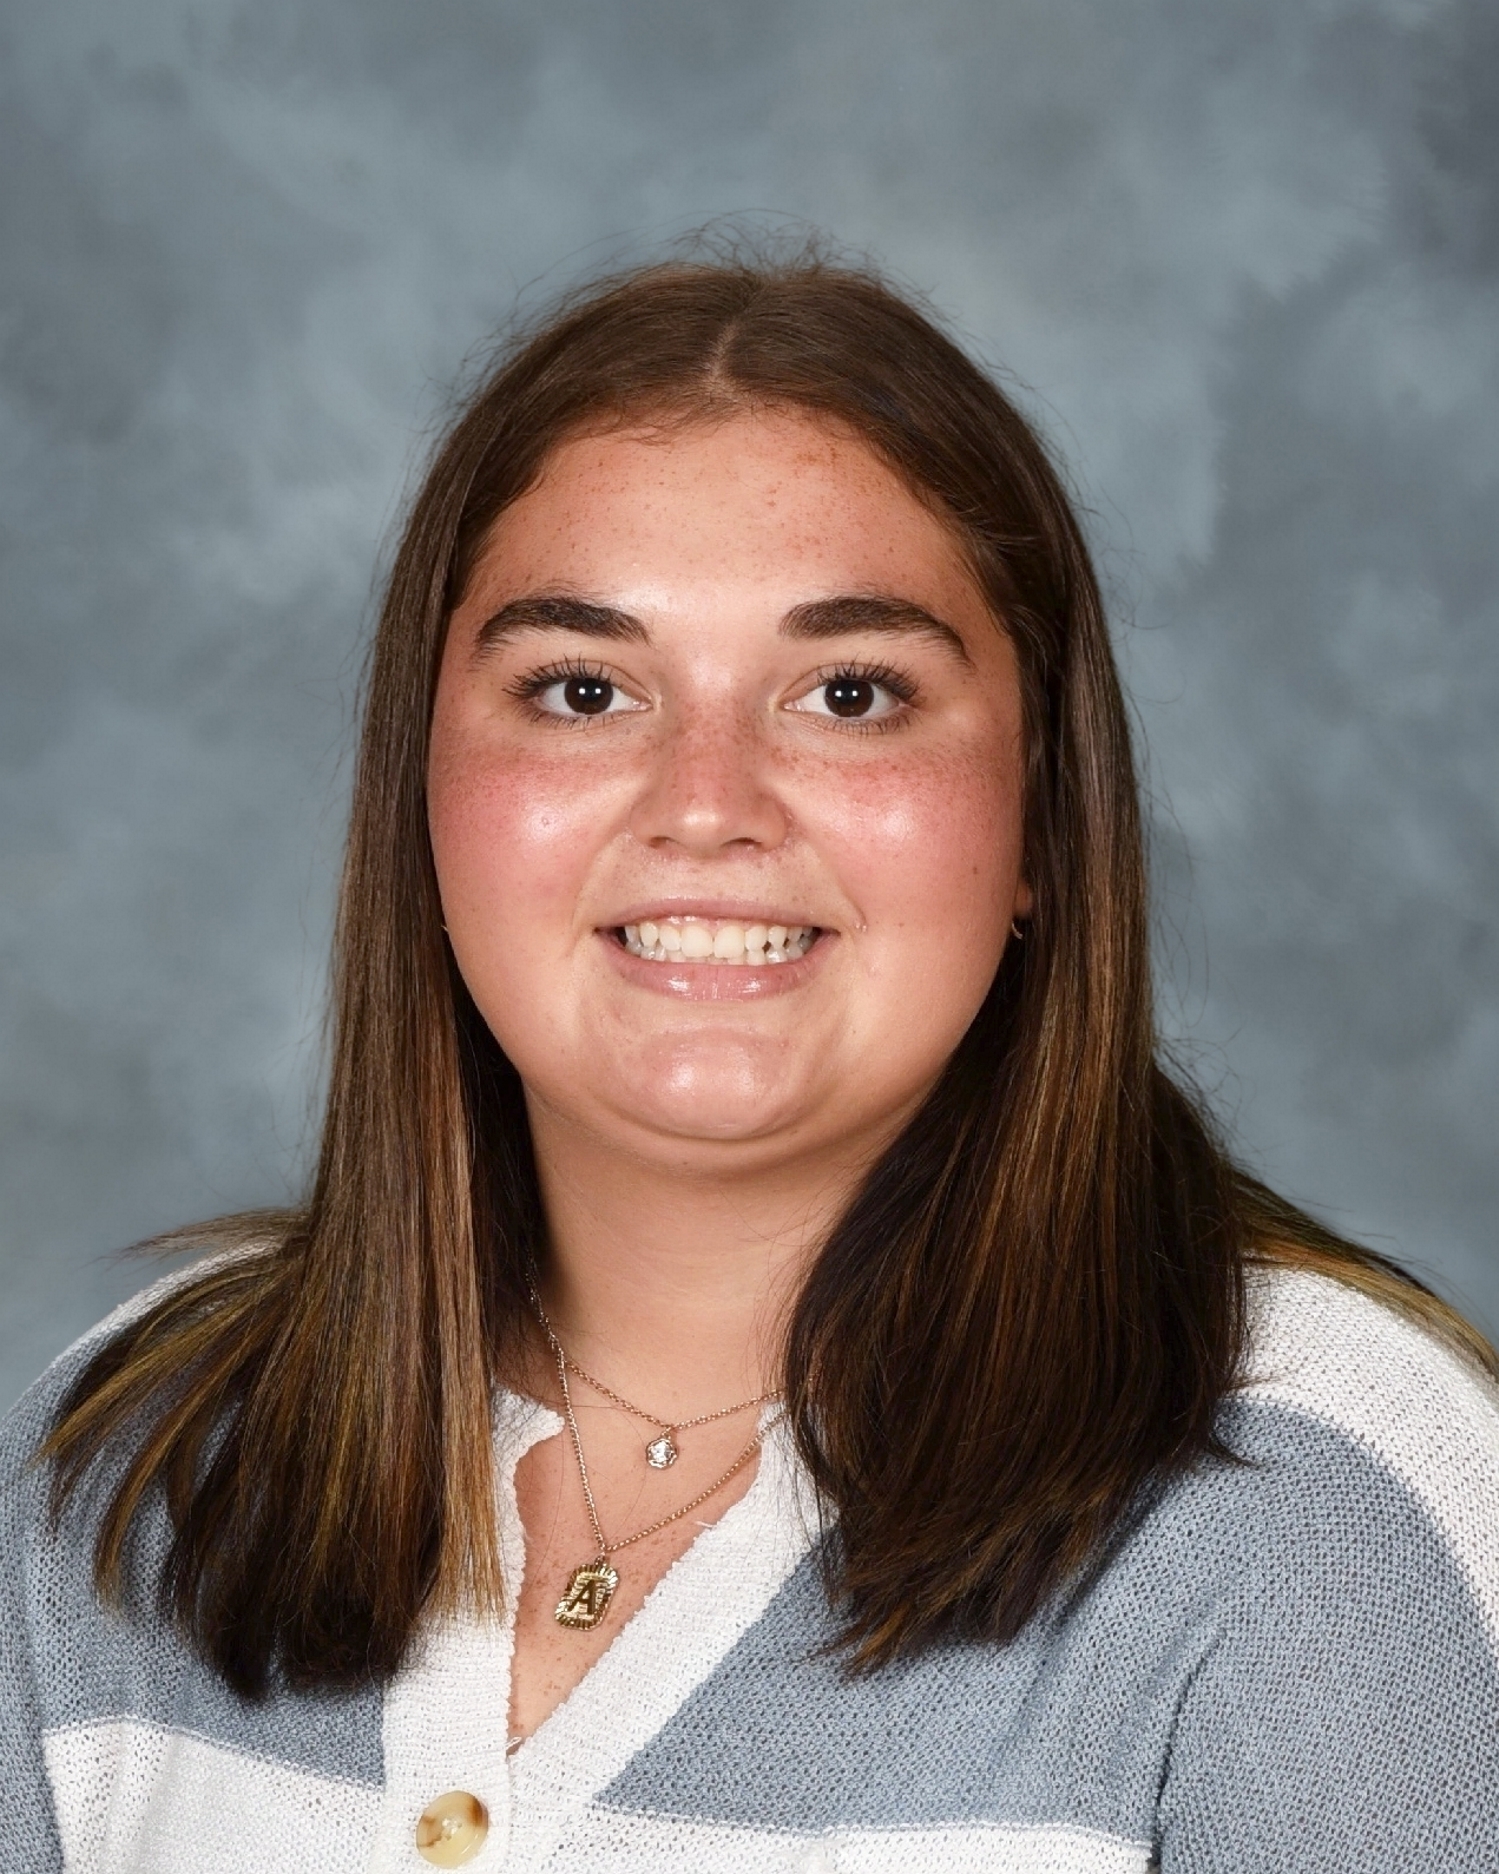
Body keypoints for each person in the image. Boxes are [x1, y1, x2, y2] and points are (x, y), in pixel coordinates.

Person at [4, 247, 1498, 1874]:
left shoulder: (1317, 1506)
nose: (706, 804)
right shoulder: (122, 1469)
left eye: (850, 693)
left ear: (1041, 821)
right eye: (583, 689)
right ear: (423, 798)